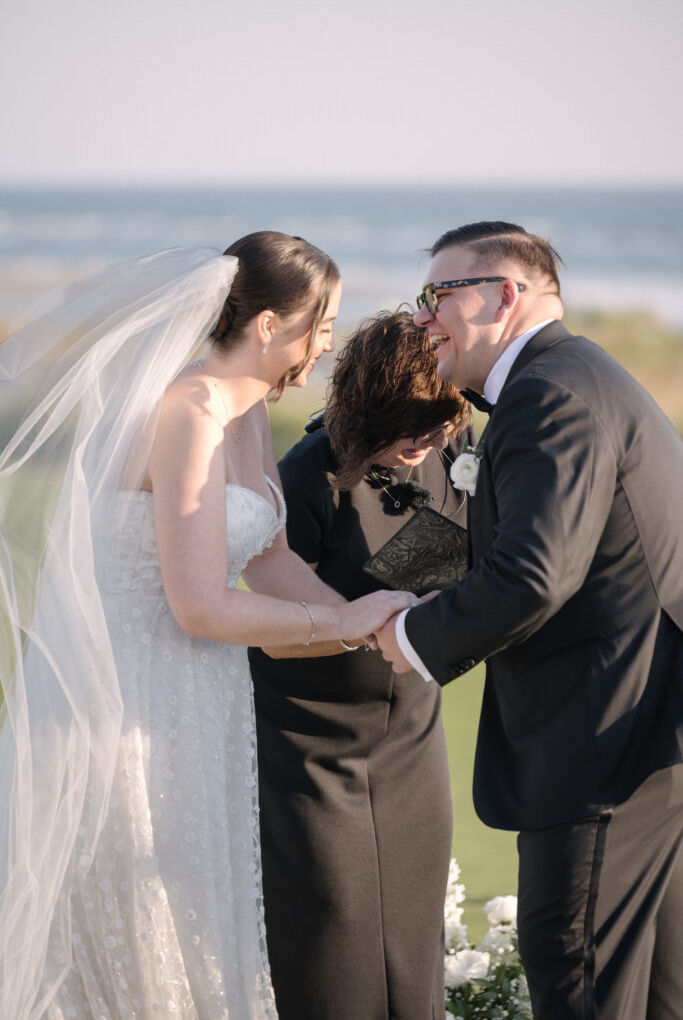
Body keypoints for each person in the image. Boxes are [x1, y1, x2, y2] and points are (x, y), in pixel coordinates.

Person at [0, 233, 417, 1020]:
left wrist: (370, 619)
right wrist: (348, 624)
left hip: (205, 692)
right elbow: (198, 604)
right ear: (267, 325)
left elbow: (269, 563)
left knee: (202, 898)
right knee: (138, 911)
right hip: (133, 694)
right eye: (320, 325)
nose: (327, 343)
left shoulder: (246, 409)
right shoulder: (188, 411)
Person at [375, 222, 683, 1019]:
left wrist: (408, 635)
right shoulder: (574, 377)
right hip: (649, 728)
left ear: (504, 293)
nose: (423, 319)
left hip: (605, 735)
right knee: (654, 987)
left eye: (437, 295)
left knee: (570, 968)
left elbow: (535, 574)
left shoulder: (550, 393)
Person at [248, 309, 473, 1020]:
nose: (428, 444)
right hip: (312, 743)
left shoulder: (449, 444)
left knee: (411, 938)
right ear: (365, 408)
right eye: (412, 430)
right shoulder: (304, 480)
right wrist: (367, 626)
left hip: (408, 735)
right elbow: (280, 632)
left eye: (441, 429)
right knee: (330, 935)